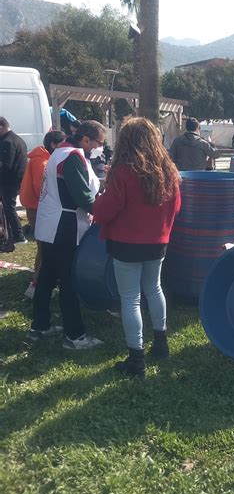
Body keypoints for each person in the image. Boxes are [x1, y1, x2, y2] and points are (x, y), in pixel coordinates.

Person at [93, 117, 181, 378]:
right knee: (154, 289)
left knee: (130, 299)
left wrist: (98, 199)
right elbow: (176, 206)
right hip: (158, 242)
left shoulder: (123, 171)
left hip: (127, 243)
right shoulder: (168, 170)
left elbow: (105, 209)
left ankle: (136, 359)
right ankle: (161, 343)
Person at [29, 120, 106, 348]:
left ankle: (40, 325)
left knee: (47, 276)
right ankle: (75, 336)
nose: (98, 148)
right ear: (85, 139)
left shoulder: (60, 151)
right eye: (98, 143)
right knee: (68, 280)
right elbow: (82, 196)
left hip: (50, 223)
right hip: (65, 225)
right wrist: (103, 210)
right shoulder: (72, 156)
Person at [20, 130, 66, 298]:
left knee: (44, 247)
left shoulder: (43, 158)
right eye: (63, 144)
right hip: (38, 208)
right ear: (53, 145)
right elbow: (42, 188)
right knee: (44, 248)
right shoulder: (42, 160)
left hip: (37, 207)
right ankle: (36, 286)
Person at [0, 117, 28, 244]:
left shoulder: (7, 142)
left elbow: (5, 165)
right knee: (8, 208)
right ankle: (12, 233)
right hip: (16, 178)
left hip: (8, 180)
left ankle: (18, 235)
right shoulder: (18, 139)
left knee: (9, 208)